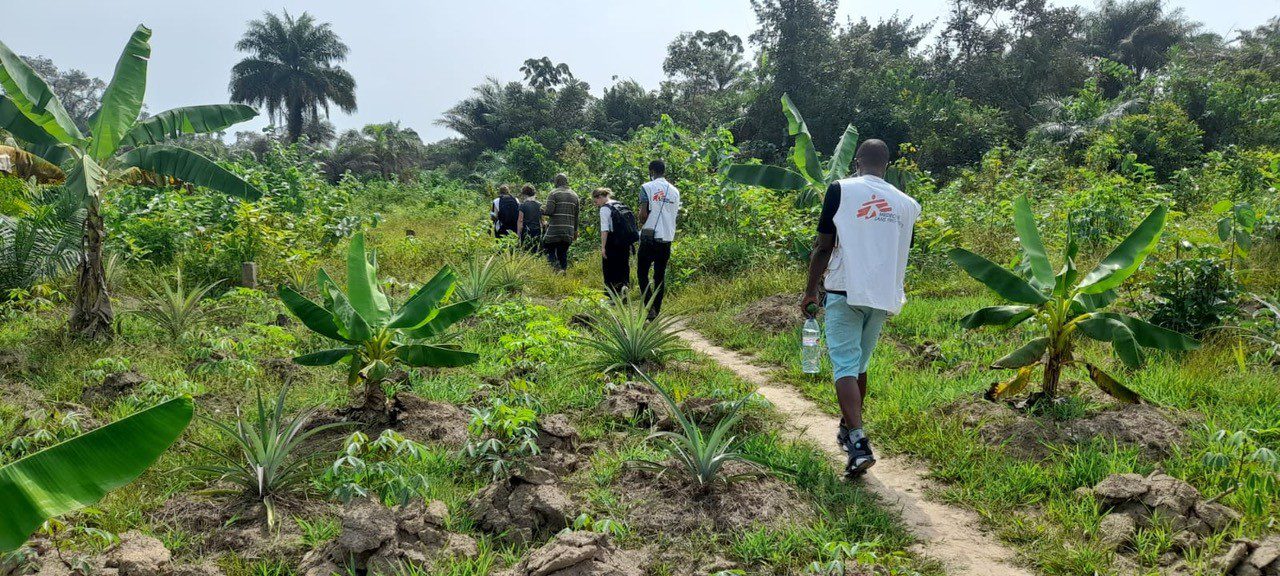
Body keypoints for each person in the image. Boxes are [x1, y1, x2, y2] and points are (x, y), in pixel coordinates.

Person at [800, 139, 920, 477]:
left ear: (856, 161)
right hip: (882, 297)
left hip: (844, 290)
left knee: (845, 367)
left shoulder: (841, 189)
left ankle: (858, 442)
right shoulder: (908, 204)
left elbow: (824, 247)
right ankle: (847, 427)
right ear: (888, 163)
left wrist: (811, 290)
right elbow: (899, 245)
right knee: (860, 364)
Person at [636, 160, 680, 319]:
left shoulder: (646, 187)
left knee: (642, 273)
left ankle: (649, 306)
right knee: (659, 276)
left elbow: (643, 214)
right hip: (667, 237)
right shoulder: (675, 191)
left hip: (649, 237)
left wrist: (640, 220)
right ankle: (657, 309)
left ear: (652, 171)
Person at [593, 188, 635, 297]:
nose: (595, 203)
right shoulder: (619, 204)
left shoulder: (605, 209)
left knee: (609, 269)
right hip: (625, 241)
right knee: (623, 266)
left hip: (612, 241)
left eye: (595, 200)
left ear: (600, 197)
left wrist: (603, 247)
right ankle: (625, 289)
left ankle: (611, 296)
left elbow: (604, 230)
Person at [542, 173, 580, 271]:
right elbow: (576, 216)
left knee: (548, 247)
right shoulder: (575, 195)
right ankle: (563, 273)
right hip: (569, 231)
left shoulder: (553, 193)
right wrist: (575, 232)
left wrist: (542, 210)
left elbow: (550, 211)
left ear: (557, 182)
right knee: (563, 254)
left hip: (555, 230)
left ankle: (556, 269)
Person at [516, 183, 543, 252]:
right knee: (536, 251)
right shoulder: (539, 205)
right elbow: (542, 221)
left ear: (524, 194)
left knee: (526, 251)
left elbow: (520, 221)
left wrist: (518, 235)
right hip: (537, 231)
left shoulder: (522, 205)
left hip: (526, 232)